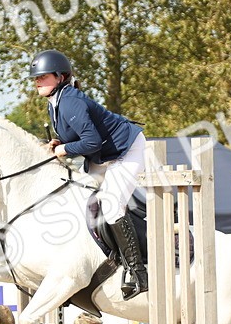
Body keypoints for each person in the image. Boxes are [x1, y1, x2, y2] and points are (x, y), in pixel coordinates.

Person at [30, 49, 148, 299]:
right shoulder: (55, 103)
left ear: (60, 77)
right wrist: (58, 142)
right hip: (104, 157)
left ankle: (138, 272)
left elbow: (91, 142)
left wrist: (63, 149)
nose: (37, 81)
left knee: (111, 204)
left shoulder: (70, 100)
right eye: (36, 77)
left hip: (126, 149)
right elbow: (77, 136)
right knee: (80, 196)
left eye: (43, 76)